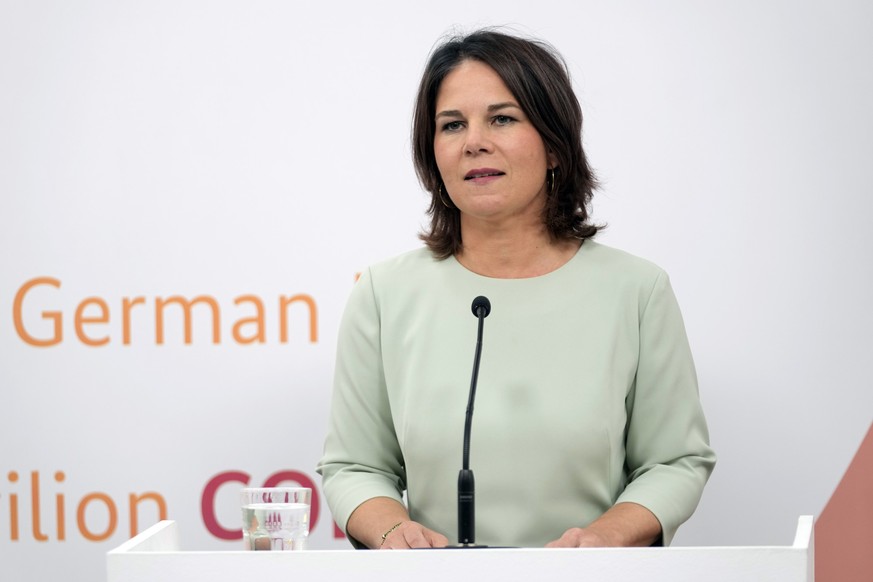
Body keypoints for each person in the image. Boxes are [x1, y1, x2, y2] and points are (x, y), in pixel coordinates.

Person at [316, 28, 716, 550]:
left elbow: (675, 461)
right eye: (452, 124)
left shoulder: (636, 291)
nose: (473, 141)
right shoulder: (384, 293)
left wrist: (604, 537)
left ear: (554, 146)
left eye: (502, 118)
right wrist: (394, 531)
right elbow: (354, 465)